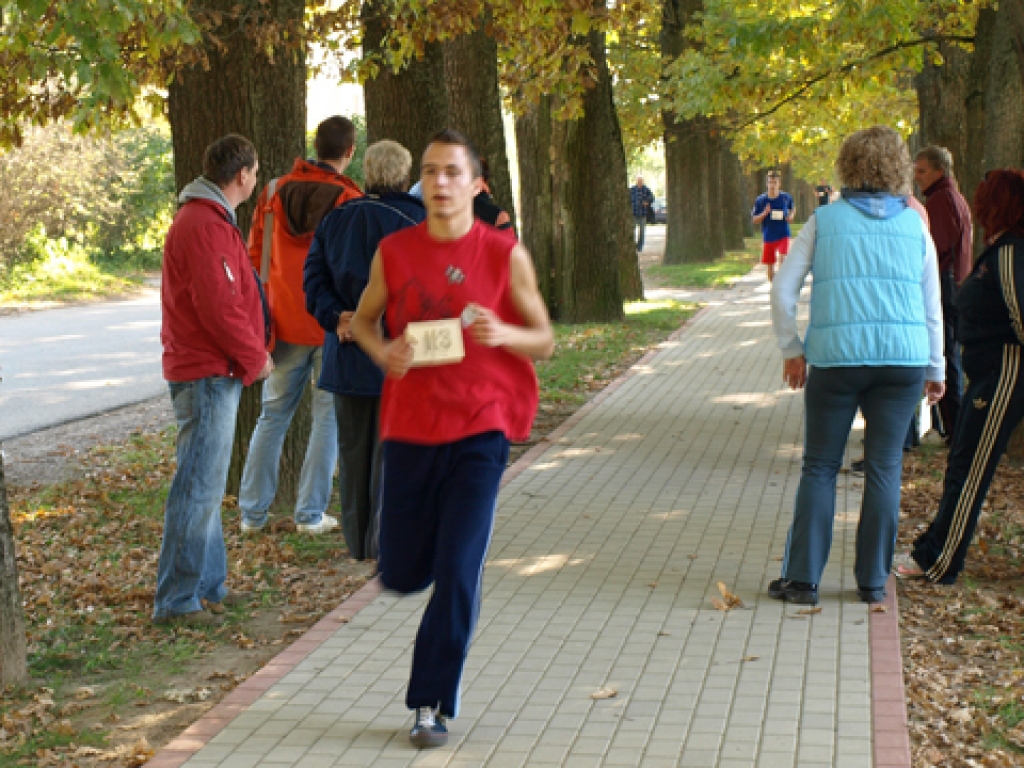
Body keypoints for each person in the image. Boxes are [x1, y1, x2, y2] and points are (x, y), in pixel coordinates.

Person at [350, 129, 553, 748]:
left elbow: (543, 337)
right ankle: (410, 570)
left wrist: (504, 334)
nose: (439, 183)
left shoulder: (503, 253)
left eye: (452, 173)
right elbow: (360, 320)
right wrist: (384, 350)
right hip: (413, 427)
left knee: (459, 569)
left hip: (482, 427)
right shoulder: (395, 251)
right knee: (406, 571)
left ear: (474, 184)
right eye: (430, 172)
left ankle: (429, 703)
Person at [769, 125, 945, 606]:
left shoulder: (823, 222)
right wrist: (937, 368)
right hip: (902, 363)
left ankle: (803, 580)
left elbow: (783, 290)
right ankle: (872, 582)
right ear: (899, 168)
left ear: (846, 165)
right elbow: (932, 304)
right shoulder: (916, 227)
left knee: (820, 467)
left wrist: (792, 349)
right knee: (886, 467)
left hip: (836, 363)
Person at [155, 134, 273, 627]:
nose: (256, 177)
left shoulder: (210, 220)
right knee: (198, 487)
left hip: (211, 370)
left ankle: (208, 585)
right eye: (256, 170)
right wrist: (255, 358)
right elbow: (219, 308)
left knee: (206, 482)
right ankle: (178, 600)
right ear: (243, 174)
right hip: (207, 372)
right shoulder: (203, 224)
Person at [238, 116, 362, 535]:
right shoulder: (349, 199)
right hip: (330, 323)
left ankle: (252, 514)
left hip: (282, 323)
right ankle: (310, 514)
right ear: (350, 150)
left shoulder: (272, 191)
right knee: (327, 419)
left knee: (271, 417)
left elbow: (254, 256)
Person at [303, 140, 426, 560]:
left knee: (354, 455)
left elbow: (313, 282)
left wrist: (337, 317)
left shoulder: (335, 220)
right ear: (405, 175)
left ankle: (358, 544)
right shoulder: (419, 222)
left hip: (348, 354)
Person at [900, 170, 1024, 584]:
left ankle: (939, 560)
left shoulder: (1011, 254)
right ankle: (936, 546)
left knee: (970, 467)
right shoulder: (1003, 250)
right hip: (990, 372)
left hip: (1004, 371)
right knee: (962, 463)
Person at [914, 145, 973, 443]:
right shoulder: (952, 197)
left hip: (944, 285)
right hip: (954, 284)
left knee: (946, 356)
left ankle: (954, 427)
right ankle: (952, 426)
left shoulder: (940, 200)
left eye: (922, 170)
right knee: (950, 355)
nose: (916, 176)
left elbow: (935, 249)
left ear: (940, 171)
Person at [753, 170, 795, 282]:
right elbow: (755, 219)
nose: (772, 185)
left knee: (784, 259)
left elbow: (793, 208)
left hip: (783, 233)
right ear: (766, 184)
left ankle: (781, 284)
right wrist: (764, 213)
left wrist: (791, 216)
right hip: (769, 235)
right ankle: (774, 288)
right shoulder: (761, 200)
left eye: (775, 182)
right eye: (770, 182)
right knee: (770, 266)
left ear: (779, 184)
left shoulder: (786, 197)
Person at [629, 175, 655, 253]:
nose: (640, 182)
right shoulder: (632, 190)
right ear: (636, 181)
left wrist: (647, 201)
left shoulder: (646, 189)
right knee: (632, 231)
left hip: (643, 214)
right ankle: (633, 246)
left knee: (642, 232)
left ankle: (640, 247)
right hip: (633, 213)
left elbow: (652, 197)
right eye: (638, 181)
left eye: (641, 181)